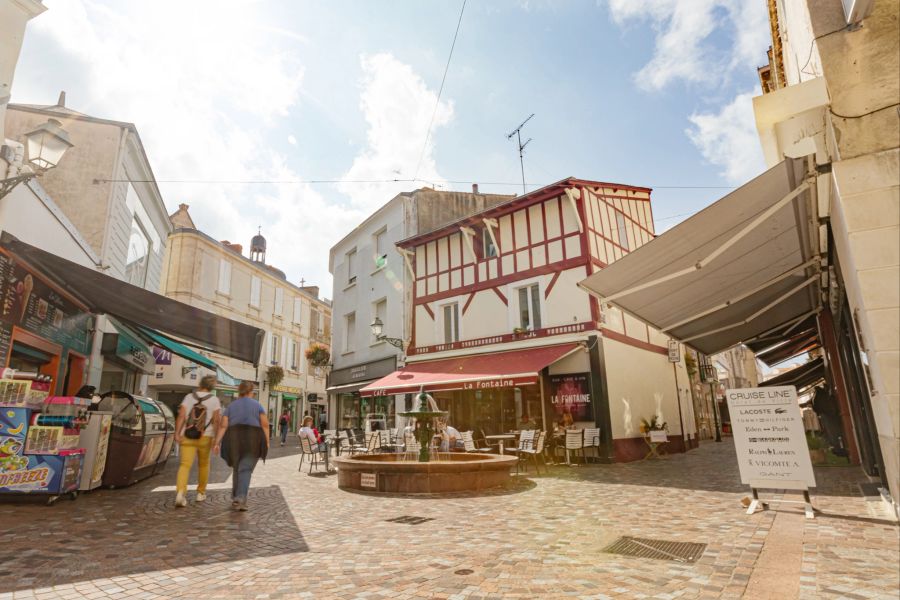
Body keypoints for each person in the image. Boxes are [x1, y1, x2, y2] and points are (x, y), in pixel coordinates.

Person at [213, 381, 268, 511]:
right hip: (253, 439)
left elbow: (223, 425)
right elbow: (265, 424)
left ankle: (236, 497)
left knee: (238, 468)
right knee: (245, 469)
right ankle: (241, 497)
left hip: (234, 439)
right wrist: (267, 441)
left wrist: (217, 442)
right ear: (251, 392)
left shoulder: (231, 406)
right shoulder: (258, 405)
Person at [174, 375, 221, 508]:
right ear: (212, 387)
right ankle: (201, 493)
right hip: (205, 436)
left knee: (184, 465)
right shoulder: (214, 400)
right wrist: (216, 440)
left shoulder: (189, 397)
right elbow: (217, 420)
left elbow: (182, 416)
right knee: (204, 464)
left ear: (200, 384)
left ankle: (180, 492)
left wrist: (177, 433)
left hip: (187, 435)